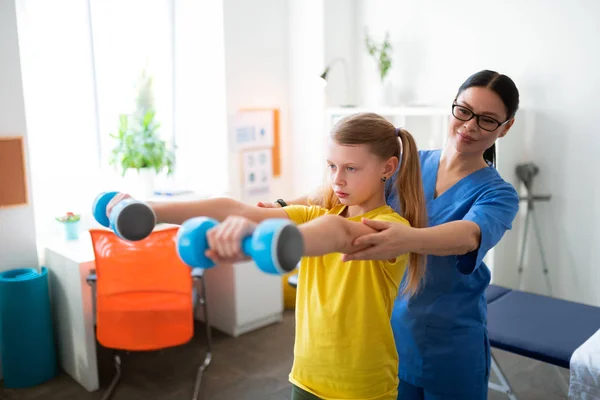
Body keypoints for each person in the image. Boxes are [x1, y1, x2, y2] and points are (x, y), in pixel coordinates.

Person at [106, 113, 428, 400]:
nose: (337, 179)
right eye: (332, 166)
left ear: (388, 168)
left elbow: (340, 233)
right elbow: (230, 208)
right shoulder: (314, 214)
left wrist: (278, 240)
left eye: (351, 168)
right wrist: (148, 210)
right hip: (306, 378)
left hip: (362, 389)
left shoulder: (390, 228)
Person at [260, 70, 521, 399]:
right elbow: (334, 192)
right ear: (453, 106)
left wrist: (408, 239)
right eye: (464, 111)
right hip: (392, 333)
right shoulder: (407, 165)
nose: (469, 126)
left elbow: (469, 236)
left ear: (506, 127)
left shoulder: (499, 194)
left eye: (486, 120)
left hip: (450, 341)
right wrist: (281, 205)